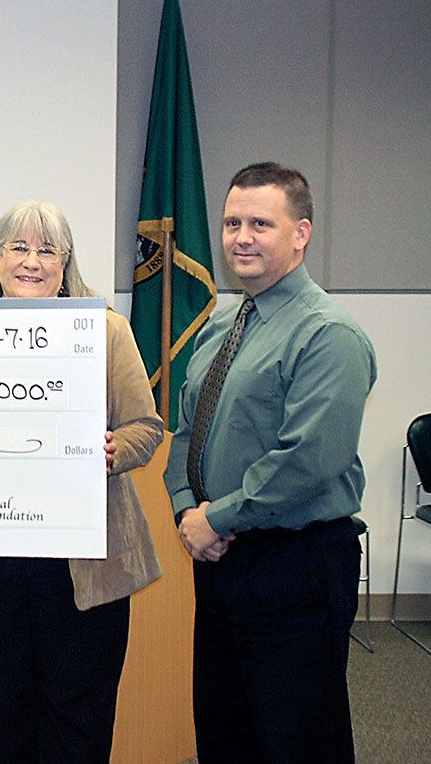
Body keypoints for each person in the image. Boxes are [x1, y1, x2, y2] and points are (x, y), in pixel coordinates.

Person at [0, 200, 164, 764]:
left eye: (46, 250)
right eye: (19, 247)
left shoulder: (104, 330)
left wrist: (111, 449)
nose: (32, 262)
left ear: (65, 263)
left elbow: (146, 427)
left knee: (77, 720)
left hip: (80, 566)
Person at [164, 162, 376, 762]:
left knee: (297, 738)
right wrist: (187, 511)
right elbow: (187, 430)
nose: (241, 237)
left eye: (261, 223)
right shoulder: (224, 323)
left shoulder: (328, 333)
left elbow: (309, 459)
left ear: (301, 233)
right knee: (226, 732)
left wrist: (217, 518)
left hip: (295, 563)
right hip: (221, 559)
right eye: (232, 222)